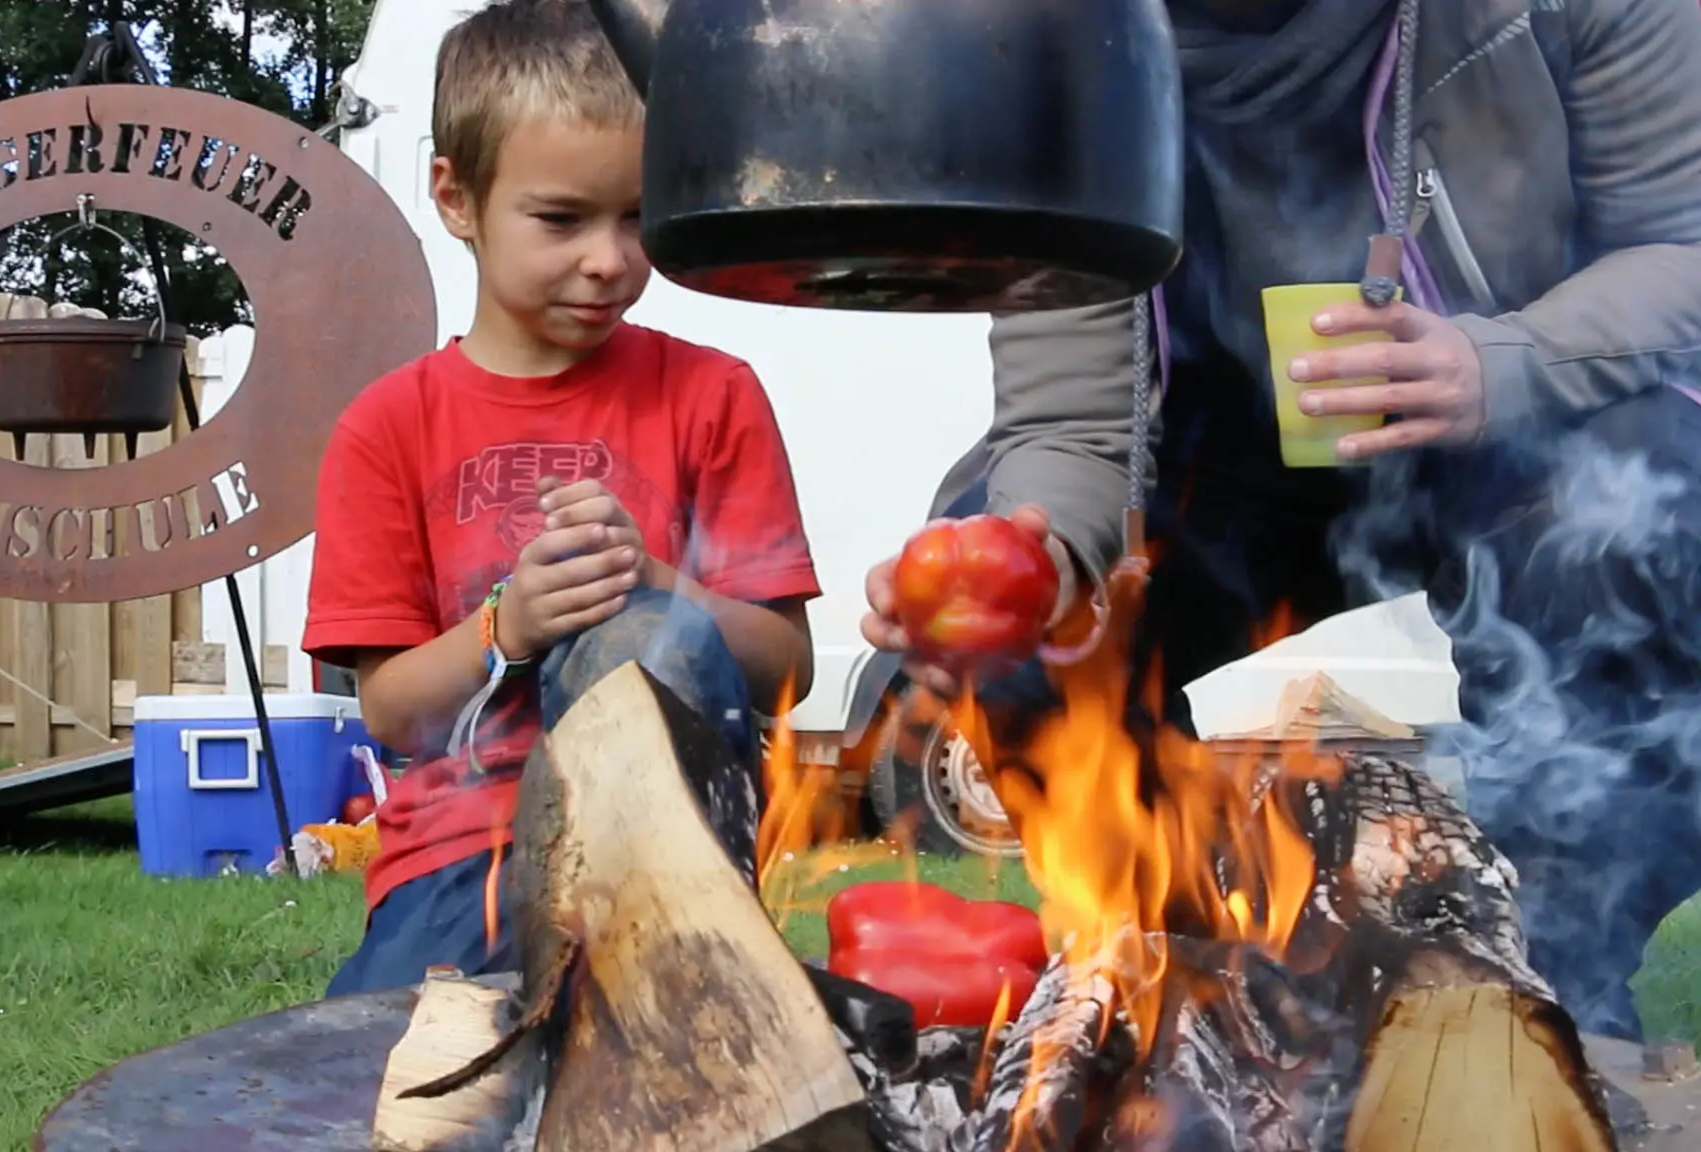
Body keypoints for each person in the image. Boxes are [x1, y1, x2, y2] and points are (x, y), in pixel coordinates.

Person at [862, 0, 1701, 1043]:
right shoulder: (1059, 36)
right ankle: (1183, 992)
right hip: (1208, 462)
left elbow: (1682, 242)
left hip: (1509, 438)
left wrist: (1502, 361)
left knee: (1651, 520)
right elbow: (1070, 421)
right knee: (1027, 642)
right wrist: (1028, 564)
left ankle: (1534, 990)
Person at [302, 0, 822, 998]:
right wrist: (509, 626)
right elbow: (391, 714)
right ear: (456, 198)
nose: (608, 259)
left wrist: (656, 582)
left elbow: (786, 668)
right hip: (464, 858)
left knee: (644, 632)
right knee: (395, 1072)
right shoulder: (387, 426)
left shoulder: (713, 396)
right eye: (561, 219)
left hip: (673, 859)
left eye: (636, 216)